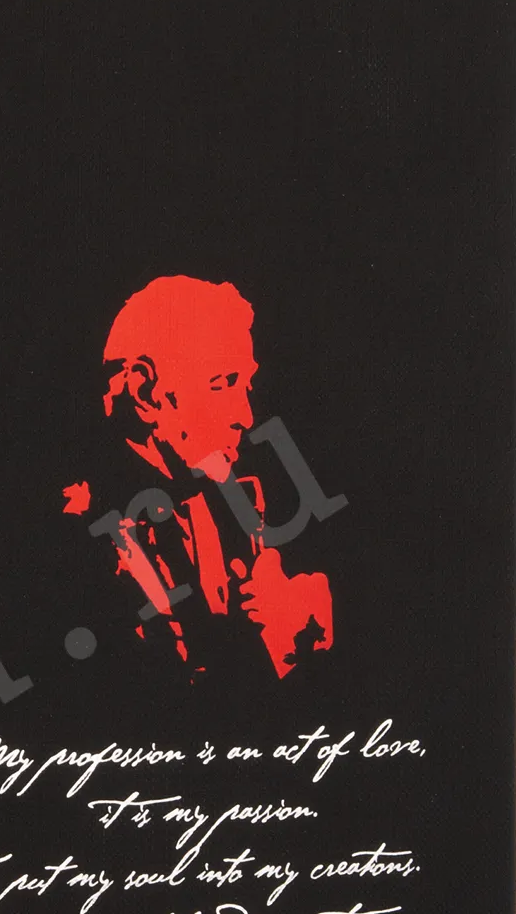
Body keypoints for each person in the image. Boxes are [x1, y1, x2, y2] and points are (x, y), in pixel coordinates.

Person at [64, 275, 333, 679]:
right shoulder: (81, 532)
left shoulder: (232, 499)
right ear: (146, 393)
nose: (246, 416)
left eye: (246, 384)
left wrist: (295, 639)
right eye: (223, 384)